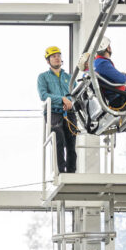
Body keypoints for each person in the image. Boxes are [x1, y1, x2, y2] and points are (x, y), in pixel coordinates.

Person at [37, 45, 77, 174]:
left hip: (69, 112)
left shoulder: (69, 77)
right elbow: (43, 95)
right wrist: (62, 99)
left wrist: (70, 101)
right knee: (58, 139)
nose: (57, 58)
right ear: (48, 60)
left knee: (71, 143)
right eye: (53, 56)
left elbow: (76, 93)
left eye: (58, 56)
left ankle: (71, 172)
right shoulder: (43, 77)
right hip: (53, 112)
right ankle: (60, 171)